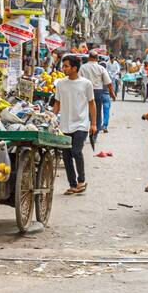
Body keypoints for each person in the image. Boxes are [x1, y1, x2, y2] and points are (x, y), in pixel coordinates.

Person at [51, 54, 96, 195]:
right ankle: (72, 184)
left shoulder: (86, 84)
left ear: (74, 68)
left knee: (76, 151)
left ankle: (81, 181)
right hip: (64, 124)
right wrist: (52, 118)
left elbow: (92, 103)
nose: (63, 68)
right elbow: (57, 102)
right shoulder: (60, 83)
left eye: (66, 66)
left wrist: (93, 124)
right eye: (63, 66)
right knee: (66, 156)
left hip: (81, 124)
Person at [79, 52, 114, 156]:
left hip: (84, 91)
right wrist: (112, 93)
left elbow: (78, 79)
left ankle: (84, 134)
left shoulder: (82, 67)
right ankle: (95, 134)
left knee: (84, 113)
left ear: (89, 58)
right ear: (97, 59)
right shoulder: (101, 68)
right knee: (97, 113)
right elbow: (109, 83)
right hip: (97, 92)